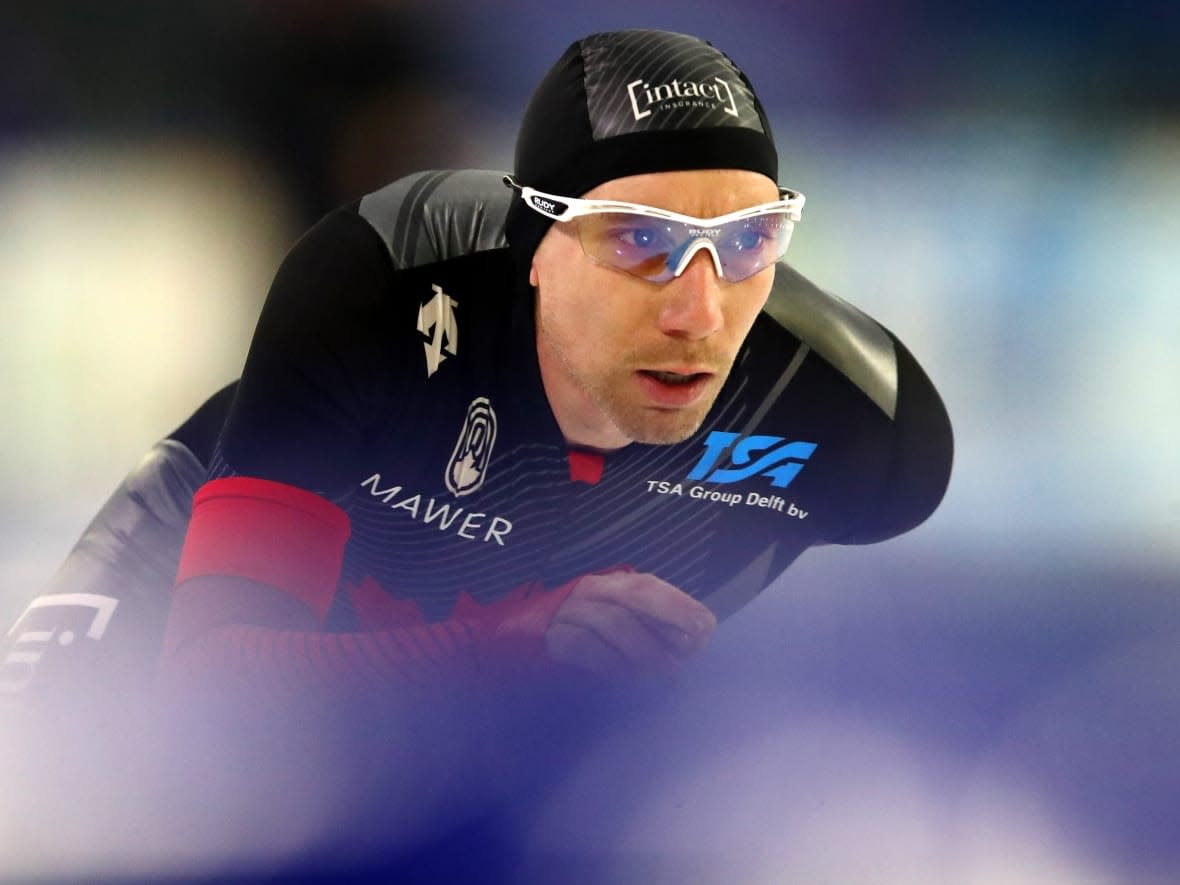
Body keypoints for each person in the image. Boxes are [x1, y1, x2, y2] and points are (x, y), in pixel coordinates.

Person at [5, 27, 951, 704]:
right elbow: (212, 678)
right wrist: (513, 636)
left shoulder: (865, 425)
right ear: (534, 247)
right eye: (639, 240)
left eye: (747, 242)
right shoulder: (380, 287)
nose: (699, 311)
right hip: (235, 590)